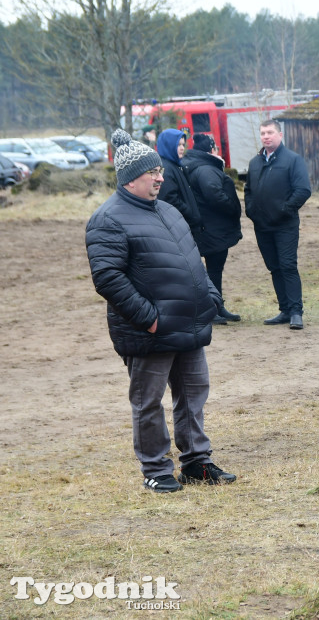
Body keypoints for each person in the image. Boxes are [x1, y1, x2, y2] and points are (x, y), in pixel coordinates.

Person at [86, 129, 235, 493]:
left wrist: (210, 297)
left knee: (193, 394)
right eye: (152, 173)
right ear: (130, 178)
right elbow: (108, 278)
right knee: (148, 402)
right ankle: (156, 469)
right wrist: (149, 319)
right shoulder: (107, 219)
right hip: (149, 332)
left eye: (159, 171)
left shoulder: (166, 209)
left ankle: (197, 462)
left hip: (189, 324)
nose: (160, 177)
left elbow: (193, 261)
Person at [245, 119, 312, 330]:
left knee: (287, 265)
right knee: (274, 267)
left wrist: (284, 209)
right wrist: (251, 210)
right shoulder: (255, 162)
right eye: (263, 132)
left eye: (270, 132)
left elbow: (303, 190)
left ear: (280, 135)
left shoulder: (293, 160)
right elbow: (248, 189)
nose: (266, 136)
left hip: (285, 225)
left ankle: (296, 312)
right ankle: (284, 309)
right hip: (262, 225)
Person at [183, 134, 242, 325]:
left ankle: (217, 306)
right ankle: (213, 309)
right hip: (212, 228)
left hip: (208, 227)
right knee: (213, 270)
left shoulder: (194, 164)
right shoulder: (206, 169)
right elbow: (214, 194)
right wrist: (232, 208)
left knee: (213, 270)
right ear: (212, 150)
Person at [155, 129, 201, 243]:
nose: (182, 148)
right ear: (168, 145)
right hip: (178, 228)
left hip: (184, 226)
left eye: (183, 144)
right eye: (178, 144)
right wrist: (190, 213)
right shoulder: (166, 168)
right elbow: (169, 199)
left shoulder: (175, 165)